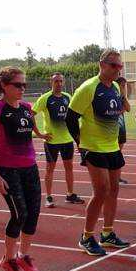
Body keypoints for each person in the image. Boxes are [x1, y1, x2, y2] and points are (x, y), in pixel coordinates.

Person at [65, 48, 130, 255]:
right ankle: (86, 236)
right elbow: (70, 118)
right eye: (113, 65)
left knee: (113, 191)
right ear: (102, 65)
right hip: (93, 147)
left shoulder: (115, 89)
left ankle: (108, 234)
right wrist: (80, 144)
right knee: (101, 191)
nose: (117, 69)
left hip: (112, 147)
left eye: (120, 66)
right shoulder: (88, 88)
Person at [0, 67, 51, 271]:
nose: (22, 88)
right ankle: (7, 260)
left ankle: (23, 256)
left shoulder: (26, 107)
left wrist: (41, 135)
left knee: (33, 212)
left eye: (24, 84)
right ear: (4, 86)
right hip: (7, 169)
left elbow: (29, 132)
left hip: (29, 167)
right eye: (18, 85)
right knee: (19, 214)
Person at [32, 73, 84, 208]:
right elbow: (31, 114)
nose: (59, 83)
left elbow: (74, 117)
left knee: (69, 167)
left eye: (61, 81)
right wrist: (39, 134)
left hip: (67, 139)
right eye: (56, 81)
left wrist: (78, 139)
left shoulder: (68, 97)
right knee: (50, 168)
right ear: (51, 82)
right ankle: (48, 197)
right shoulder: (45, 98)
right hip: (51, 141)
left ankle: (70, 194)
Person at [116, 76, 130, 184]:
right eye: (122, 86)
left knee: (119, 152)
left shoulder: (121, 97)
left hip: (121, 127)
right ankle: (113, 176)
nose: (124, 88)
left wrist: (123, 96)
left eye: (124, 86)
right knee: (114, 153)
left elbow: (128, 108)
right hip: (112, 128)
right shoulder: (112, 95)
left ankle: (117, 176)